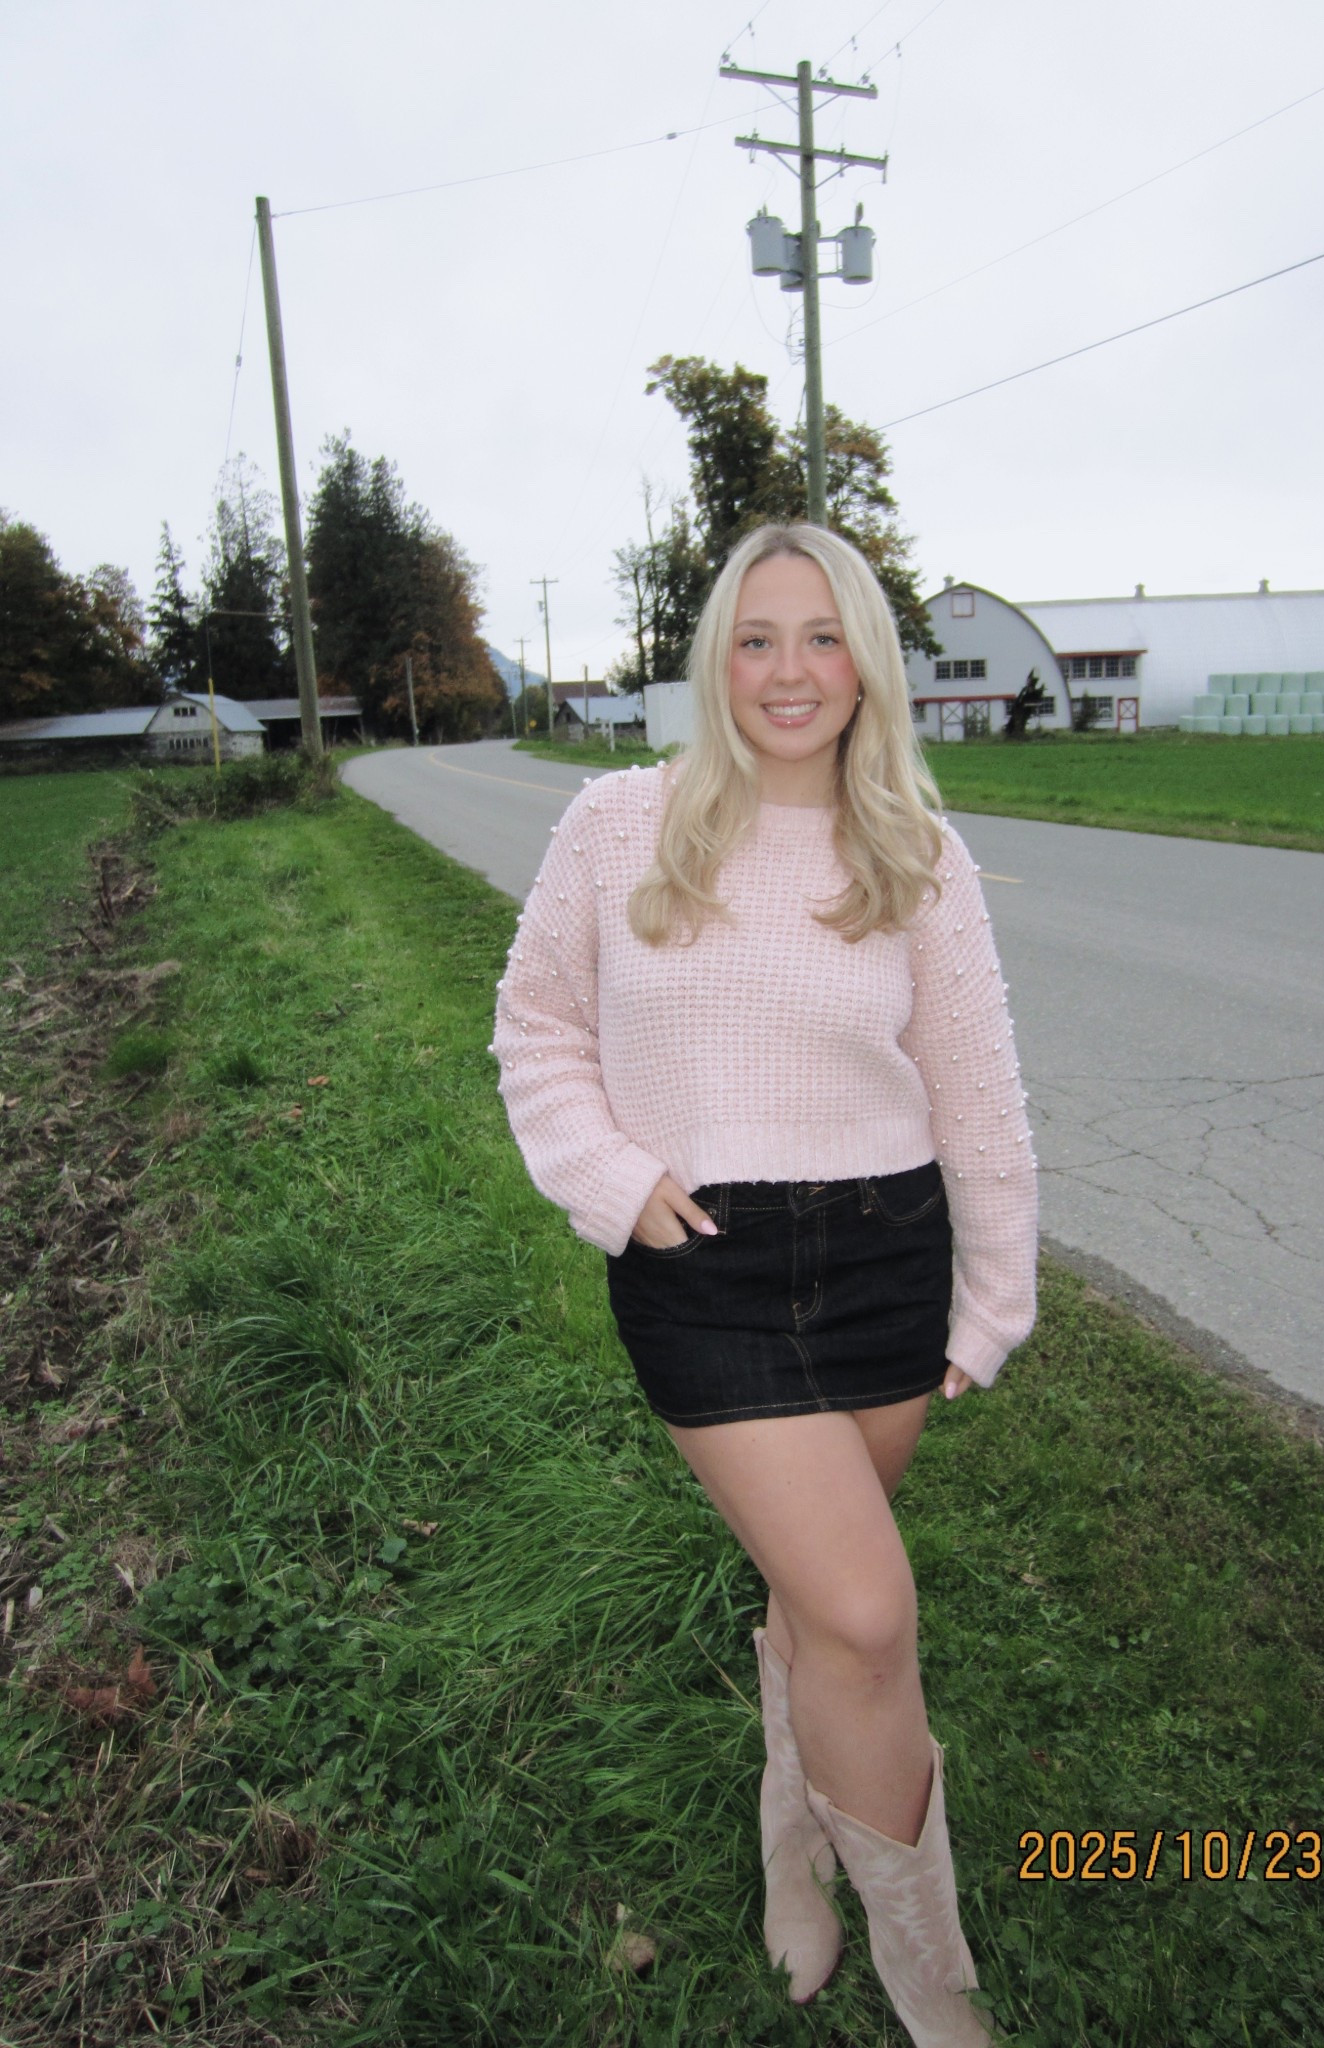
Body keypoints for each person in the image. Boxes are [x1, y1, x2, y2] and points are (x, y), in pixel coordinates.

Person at [490, 521, 1038, 2045]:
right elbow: (537, 1026)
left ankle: (792, 1843)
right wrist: (612, 1180)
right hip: (705, 1274)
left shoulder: (916, 856)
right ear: (715, 660)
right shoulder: (620, 825)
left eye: (822, 637)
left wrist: (996, 1291)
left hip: (885, 1261)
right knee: (866, 1613)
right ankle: (938, 1991)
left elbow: (979, 1094)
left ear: (867, 664)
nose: (789, 672)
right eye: (756, 638)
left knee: (815, 1607)